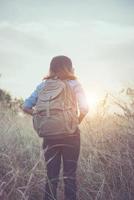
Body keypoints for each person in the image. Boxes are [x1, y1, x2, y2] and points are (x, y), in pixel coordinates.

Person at [23, 55, 89, 200]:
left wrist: (41, 116)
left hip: (49, 135)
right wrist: (75, 122)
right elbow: (84, 108)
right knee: (69, 176)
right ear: (70, 67)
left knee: (51, 176)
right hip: (70, 135)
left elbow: (26, 106)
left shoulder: (43, 86)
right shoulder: (74, 83)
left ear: (51, 68)